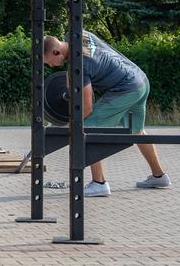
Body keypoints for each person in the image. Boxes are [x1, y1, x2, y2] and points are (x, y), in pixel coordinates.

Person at [43, 31, 171, 197]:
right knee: (136, 131)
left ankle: (99, 183)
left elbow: (87, 107)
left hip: (126, 89)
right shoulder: (76, 34)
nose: (50, 66)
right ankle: (159, 176)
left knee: (88, 127)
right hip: (140, 81)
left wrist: (69, 124)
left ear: (56, 52)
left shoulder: (80, 66)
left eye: (48, 62)